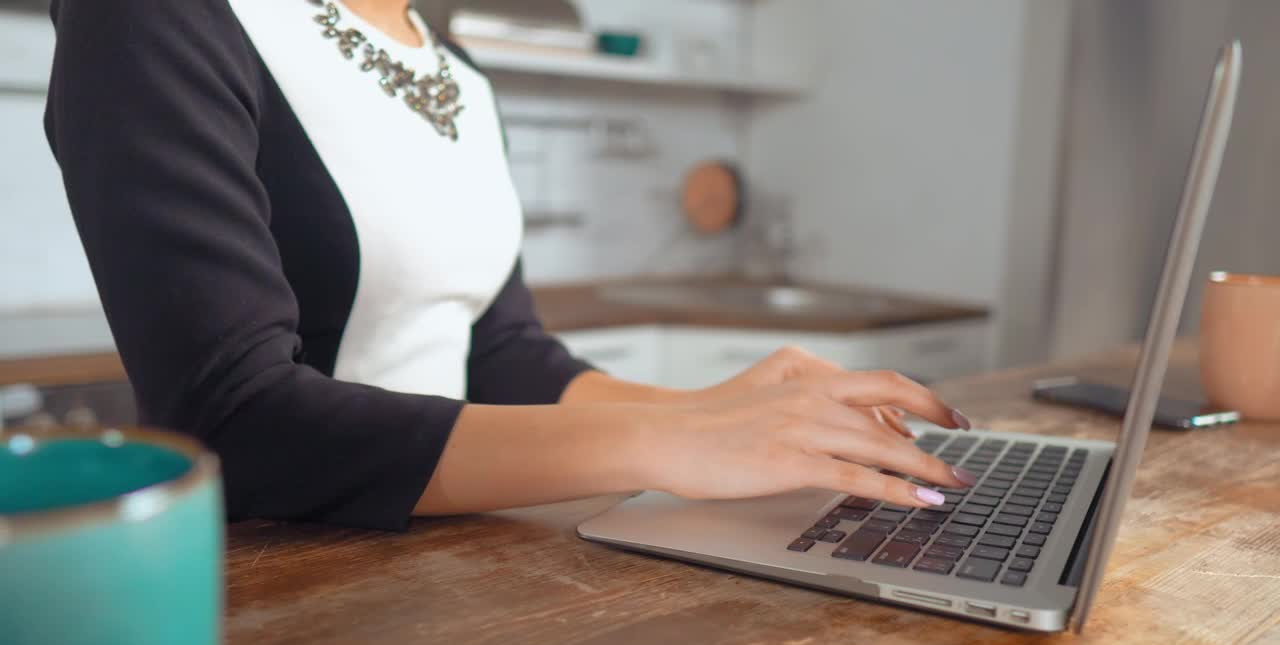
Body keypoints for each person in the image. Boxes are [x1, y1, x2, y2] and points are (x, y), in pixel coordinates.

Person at [43, 0, 976, 531]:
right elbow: (233, 423)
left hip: (455, 564)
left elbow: (502, 351)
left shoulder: (455, 69)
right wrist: (668, 442)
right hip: (287, 585)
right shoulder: (156, 16)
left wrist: (723, 415)